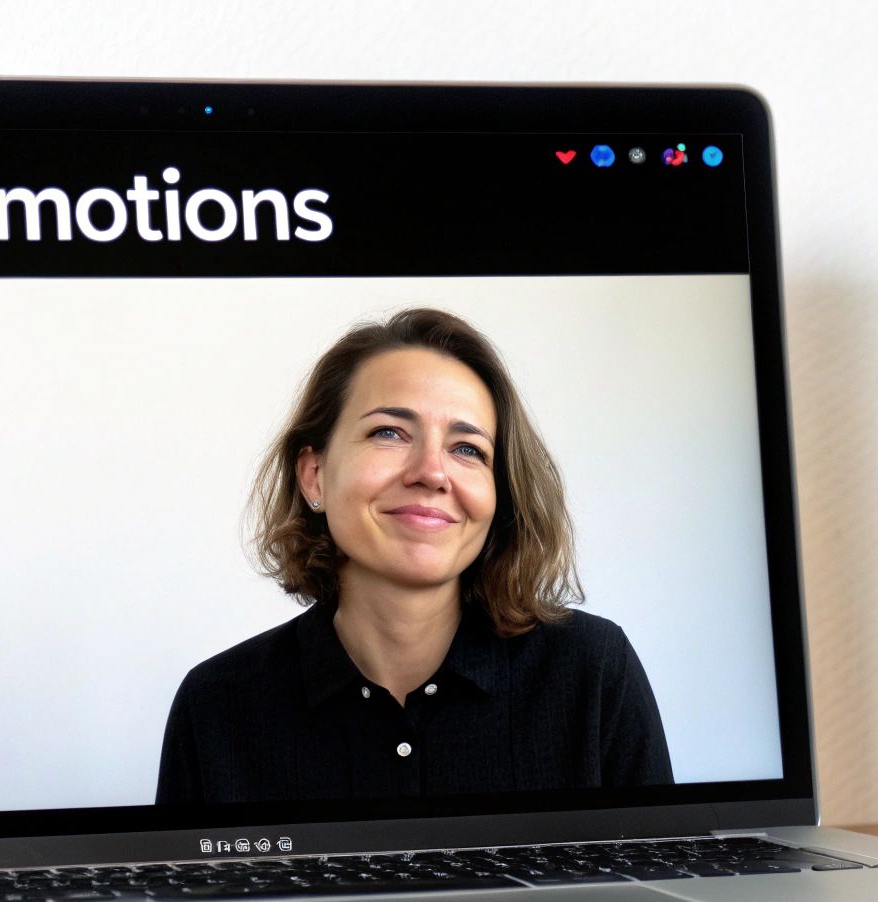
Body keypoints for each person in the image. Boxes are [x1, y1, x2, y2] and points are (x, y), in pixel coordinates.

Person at [155, 308, 671, 804]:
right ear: (314, 476)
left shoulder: (594, 673)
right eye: (388, 432)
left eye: (467, 448)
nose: (431, 471)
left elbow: (653, 889)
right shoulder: (217, 705)